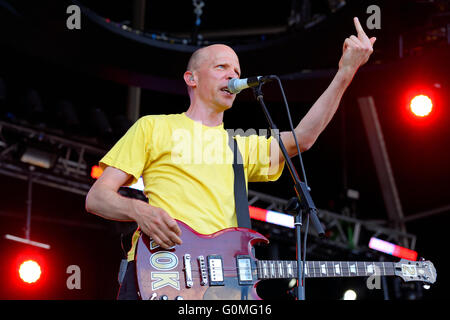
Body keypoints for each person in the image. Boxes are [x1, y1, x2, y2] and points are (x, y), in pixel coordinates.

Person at [85, 17, 376, 299]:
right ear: (192, 78)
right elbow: (97, 198)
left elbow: (304, 138)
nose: (232, 75)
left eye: (236, 70)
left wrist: (345, 73)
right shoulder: (154, 127)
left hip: (221, 287)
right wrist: (140, 212)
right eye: (221, 66)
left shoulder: (240, 145)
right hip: (160, 274)